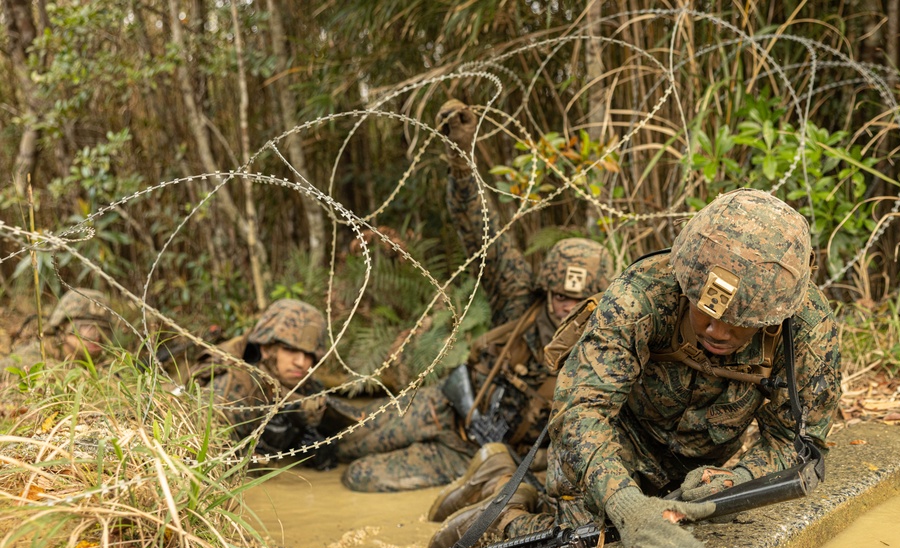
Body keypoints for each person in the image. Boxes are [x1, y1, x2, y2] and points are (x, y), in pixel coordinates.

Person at [426, 188, 843, 548]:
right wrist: (627, 505)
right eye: (706, 311)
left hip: (698, 469)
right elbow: (579, 412)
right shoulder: (641, 295)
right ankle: (500, 506)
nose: (716, 330)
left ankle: (519, 482)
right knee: (585, 542)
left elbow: (797, 444)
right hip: (614, 443)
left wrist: (732, 480)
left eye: (739, 323)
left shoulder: (805, 329)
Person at [338, 99, 616, 493]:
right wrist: (460, 160)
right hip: (446, 404)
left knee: (360, 477)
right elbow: (481, 235)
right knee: (344, 441)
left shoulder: (606, 352)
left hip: (472, 457)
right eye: (558, 294)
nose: (565, 306)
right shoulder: (520, 300)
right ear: (546, 288)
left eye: (579, 301)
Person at [194, 298, 356, 467]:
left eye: (308, 354)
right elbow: (209, 461)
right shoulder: (232, 387)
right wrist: (261, 454)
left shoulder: (305, 385)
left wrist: (318, 451)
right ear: (266, 349)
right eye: (290, 349)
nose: (301, 362)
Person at [2, 288, 113, 374]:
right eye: (88, 330)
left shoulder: (107, 363)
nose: (97, 338)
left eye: (104, 331)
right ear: (62, 327)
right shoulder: (37, 355)